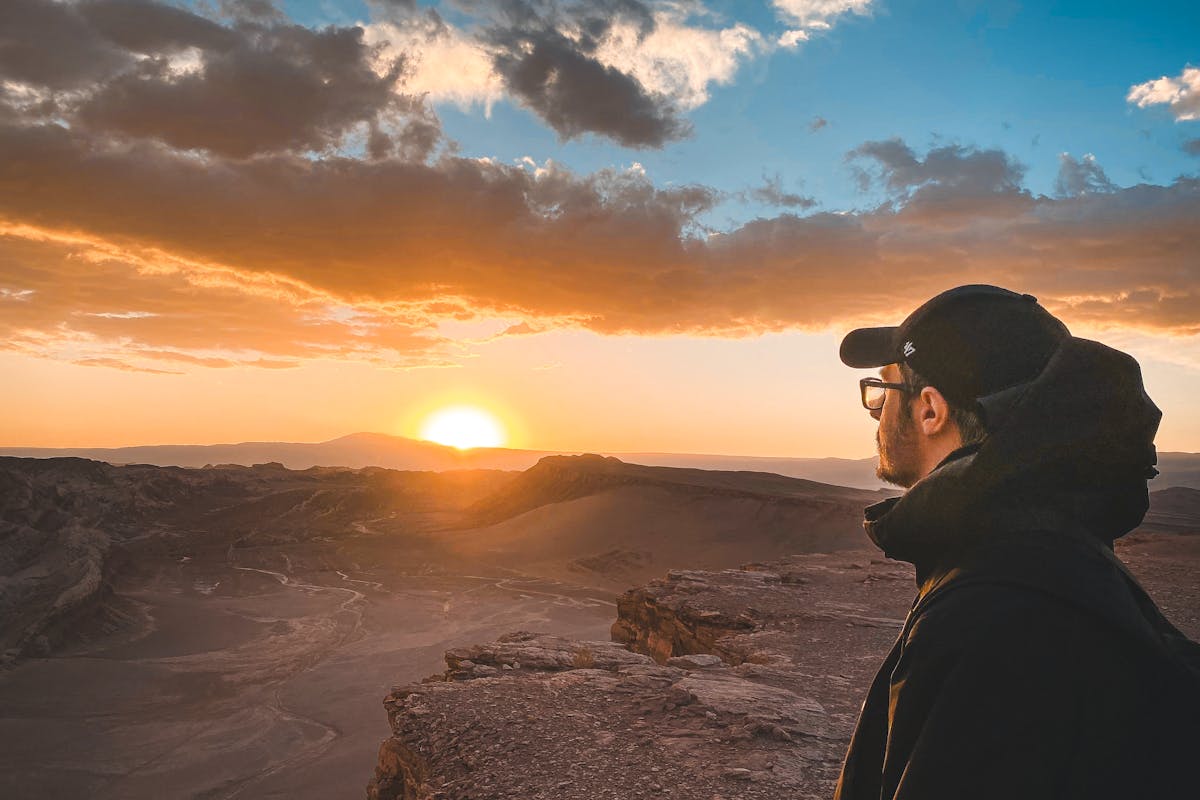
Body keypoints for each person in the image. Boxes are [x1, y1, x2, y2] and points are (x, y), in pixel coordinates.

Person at [831, 285, 1200, 800]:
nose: (875, 413)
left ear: (930, 409)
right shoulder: (1052, 558)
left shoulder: (991, 612)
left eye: (883, 391)